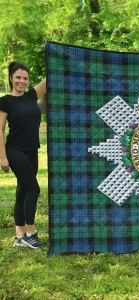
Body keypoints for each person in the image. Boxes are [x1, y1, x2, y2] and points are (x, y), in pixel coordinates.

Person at [0, 62, 46, 249]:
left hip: (32, 150)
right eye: (18, 77)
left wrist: (52, 52)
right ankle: (30, 233)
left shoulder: (31, 96)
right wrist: (2, 157)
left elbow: (49, 77)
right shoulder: (5, 101)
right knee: (34, 189)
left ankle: (19, 236)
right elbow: (0, 129)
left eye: (25, 78)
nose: (21, 81)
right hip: (15, 150)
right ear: (11, 78)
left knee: (23, 191)